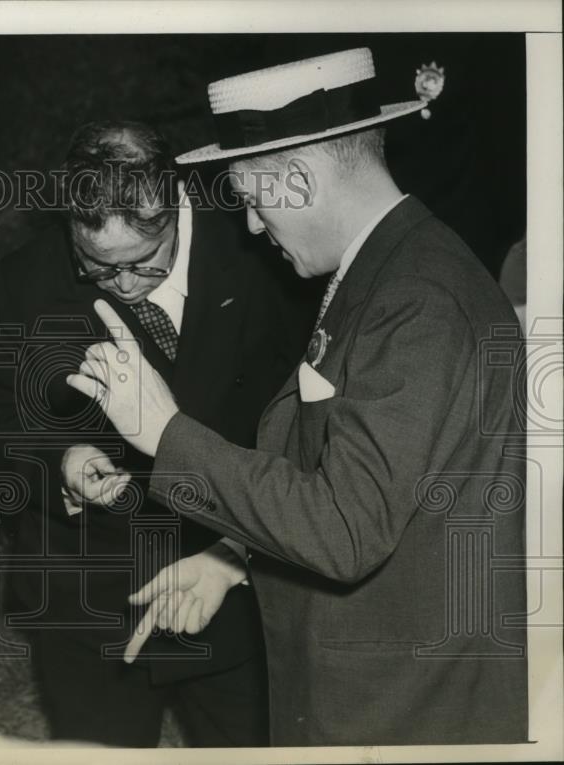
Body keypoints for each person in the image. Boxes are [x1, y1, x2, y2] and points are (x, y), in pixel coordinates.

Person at [67, 48, 528, 745]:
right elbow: (364, 482)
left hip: (402, 706)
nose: (253, 226)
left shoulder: (417, 301)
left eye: (254, 201)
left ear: (300, 179)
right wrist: (235, 554)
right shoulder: (390, 269)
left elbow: (346, 529)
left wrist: (165, 432)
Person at [0, 121, 311, 746]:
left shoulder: (266, 252)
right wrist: (60, 462)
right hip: (89, 593)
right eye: (97, 267)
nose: (124, 285)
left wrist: (239, 548)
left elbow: (312, 421)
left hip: (234, 575)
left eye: (144, 262)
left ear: (176, 206)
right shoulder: (21, 282)